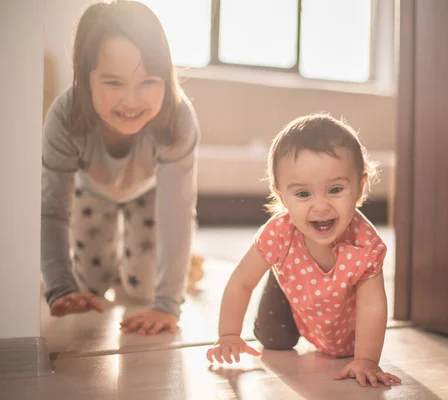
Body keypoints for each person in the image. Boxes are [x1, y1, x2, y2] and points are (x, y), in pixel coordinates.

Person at [206, 114, 402, 388]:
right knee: (275, 339)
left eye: (335, 190)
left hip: (341, 320)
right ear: (280, 195)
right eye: (303, 194)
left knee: (348, 351)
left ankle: (285, 270)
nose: (320, 206)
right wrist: (228, 334)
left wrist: (367, 360)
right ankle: (280, 274)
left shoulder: (365, 246)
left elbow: (372, 304)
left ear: (360, 186)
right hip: (293, 292)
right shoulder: (279, 232)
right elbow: (241, 282)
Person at [41, 0, 199, 336]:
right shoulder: (65, 118)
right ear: (85, 79)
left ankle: (167, 263)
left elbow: (178, 212)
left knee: (144, 290)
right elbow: (52, 209)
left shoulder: (178, 118)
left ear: (167, 77)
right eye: (113, 83)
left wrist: (167, 305)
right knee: (90, 288)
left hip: (149, 192)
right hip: (91, 191)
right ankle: (112, 263)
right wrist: (59, 285)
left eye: (148, 82)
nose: (131, 101)